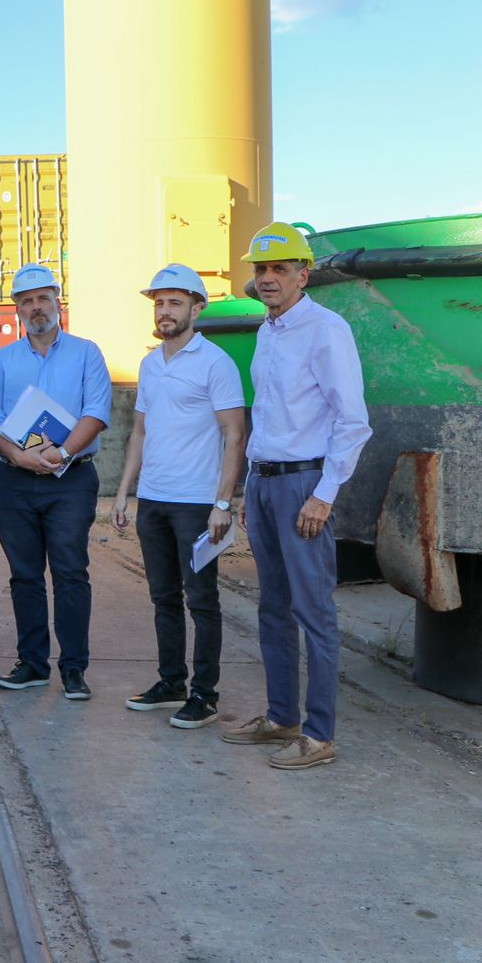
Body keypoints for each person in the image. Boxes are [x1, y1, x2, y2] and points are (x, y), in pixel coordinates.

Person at [222, 223, 371, 770]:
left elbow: (352, 422)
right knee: (272, 609)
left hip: (305, 485)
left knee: (314, 612)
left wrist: (324, 494)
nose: (267, 279)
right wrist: (249, 485)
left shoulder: (325, 330)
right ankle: (281, 716)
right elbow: (267, 413)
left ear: (303, 274)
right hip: (266, 483)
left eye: (279, 269)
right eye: (261, 269)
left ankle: (319, 734)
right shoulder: (268, 331)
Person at [111, 264, 246, 728]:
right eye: (159, 302)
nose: (164, 311)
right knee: (162, 596)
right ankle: (171, 682)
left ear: (197, 308)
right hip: (154, 500)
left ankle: (205, 695)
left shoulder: (216, 363)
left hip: (196, 504)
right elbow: (140, 431)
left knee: (201, 600)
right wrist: (125, 493)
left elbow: (234, 435)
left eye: (174, 302)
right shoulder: (151, 363)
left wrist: (222, 503)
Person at [0, 263, 112, 701]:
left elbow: (95, 411)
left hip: (70, 480)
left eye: (43, 298)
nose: (36, 307)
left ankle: (74, 668)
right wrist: (16, 454)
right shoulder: (4, 360)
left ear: (58, 301)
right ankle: (33, 664)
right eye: (26, 300)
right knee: (24, 575)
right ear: (17, 309)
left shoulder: (86, 353)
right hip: (13, 482)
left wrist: (62, 453)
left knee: (71, 572)